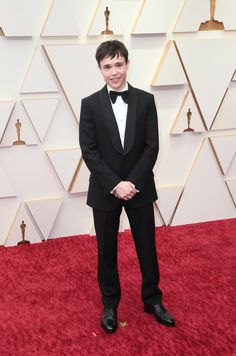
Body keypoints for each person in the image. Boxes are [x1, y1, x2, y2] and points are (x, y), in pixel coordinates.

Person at [79, 40, 175, 334]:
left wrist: (131, 182)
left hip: (140, 186)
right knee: (106, 251)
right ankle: (110, 303)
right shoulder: (90, 104)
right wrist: (115, 185)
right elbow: (89, 150)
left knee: (147, 246)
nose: (114, 72)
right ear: (99, 69)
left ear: (127, 64)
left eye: (118, 64)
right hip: (106, 190)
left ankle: (152, 299)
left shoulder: (146, 100)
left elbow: (151, 146)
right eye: (107, 67)